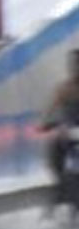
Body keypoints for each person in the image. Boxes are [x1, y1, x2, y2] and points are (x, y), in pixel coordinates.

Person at [41, 50, 79, 210]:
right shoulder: (63, 88)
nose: (76, 68)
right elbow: (52, 108)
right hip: (69, 132)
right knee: (54, 147)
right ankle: (59, 185)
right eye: (74, 64)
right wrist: (47, 123)